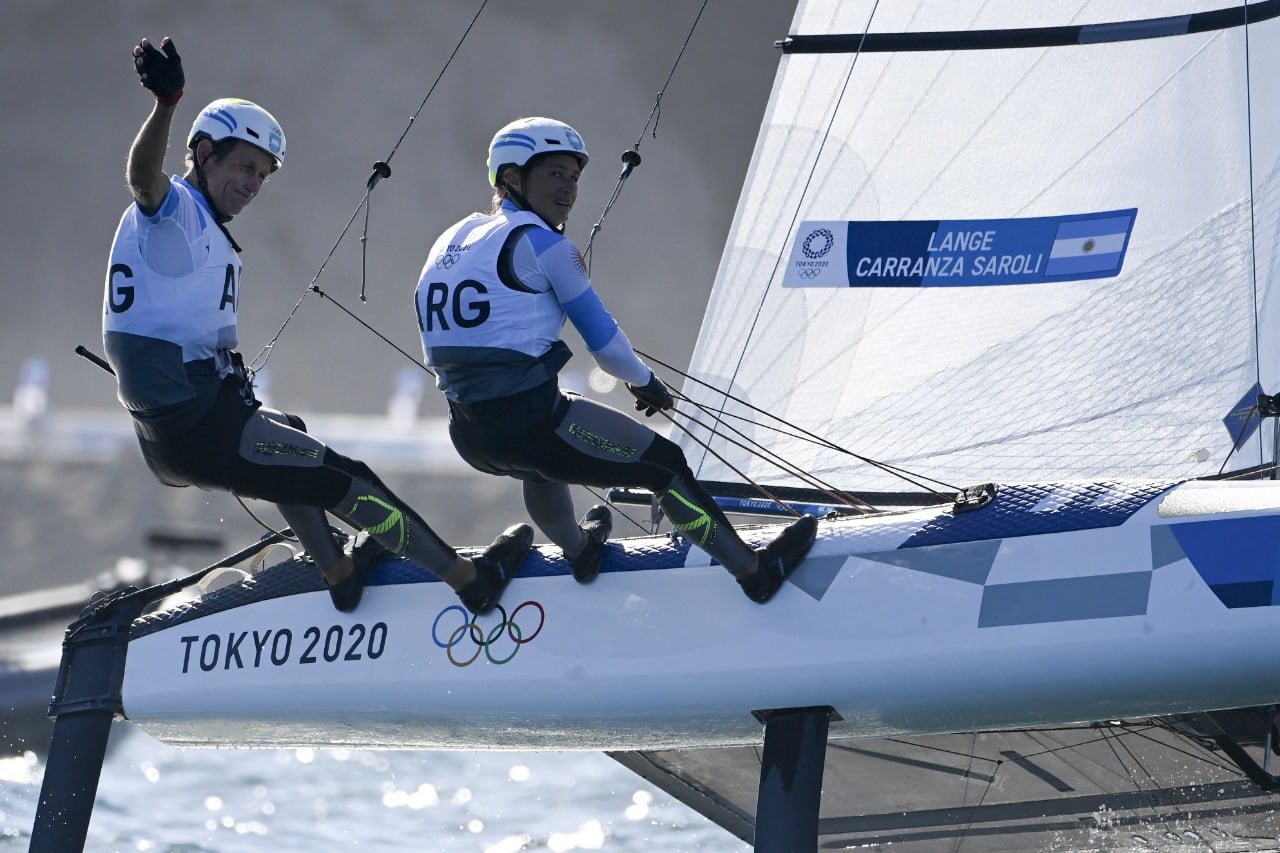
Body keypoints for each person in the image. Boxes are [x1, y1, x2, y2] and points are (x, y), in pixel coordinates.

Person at [104, 37, 533, 615]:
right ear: (203, 154)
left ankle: (339, 570)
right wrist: (167, 104)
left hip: (179, 428)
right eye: (244, 167)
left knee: (290, 432)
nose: (252, 184)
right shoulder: (173, 210)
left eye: (262, 175)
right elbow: (142, 177)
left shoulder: (199, 223)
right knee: (347, 480)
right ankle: (470, 581)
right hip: (198, 425)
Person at [413, 117, 817, 602]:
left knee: (538, 468)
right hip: (532, 428)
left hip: (469, 435)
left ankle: (579, 551)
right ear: (513, 177)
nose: (568, 189)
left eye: (574, 177)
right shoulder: (546, 245)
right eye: (554, 174)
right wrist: (645, 381)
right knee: (665, 465)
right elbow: (605, 345)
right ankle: (754, 571)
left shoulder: (452, 239)